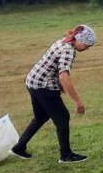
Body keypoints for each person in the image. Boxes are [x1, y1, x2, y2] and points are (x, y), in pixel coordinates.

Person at [10, 25, 96, 164]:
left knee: (41, 117)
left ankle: (18, 148)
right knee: (62, 117)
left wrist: (59, 86)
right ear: (79, 39)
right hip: (43, 86)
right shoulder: (68, 50)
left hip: (32, 81)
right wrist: (77, 101)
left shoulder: (63, 41)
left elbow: (53, 66)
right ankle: (66, 155)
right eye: (87, 45)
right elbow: (64, 76)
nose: (87, 48)